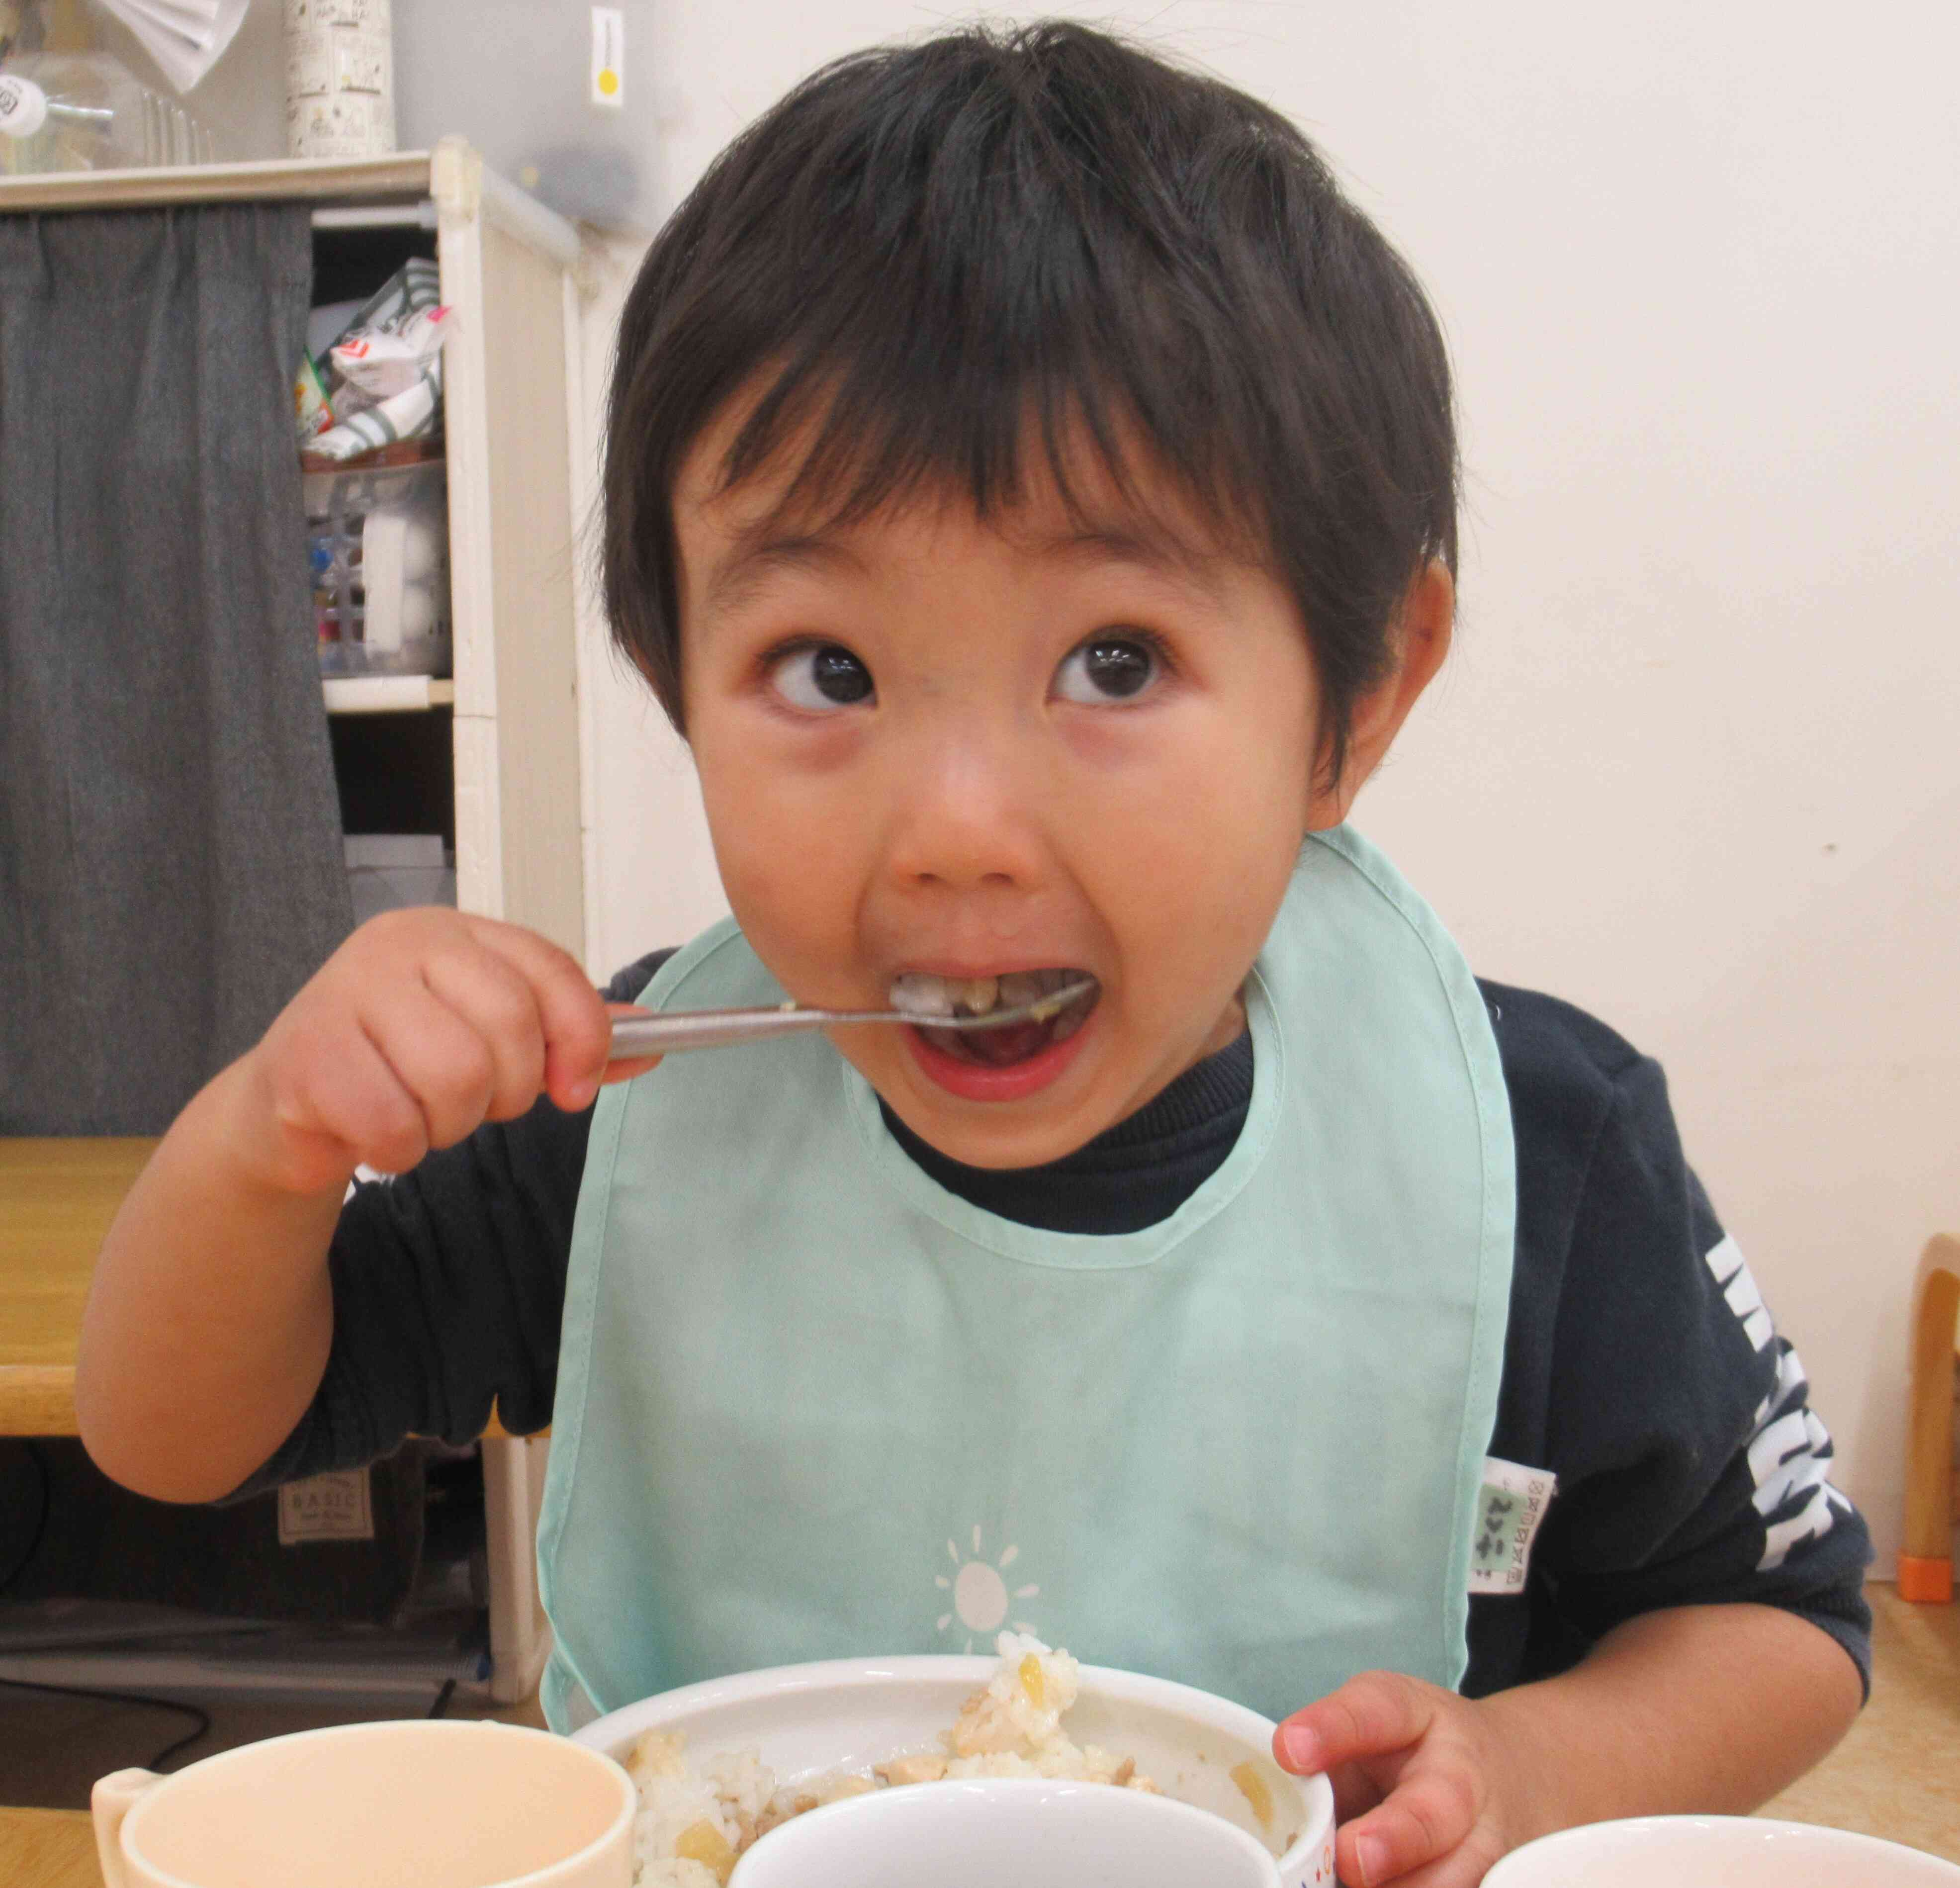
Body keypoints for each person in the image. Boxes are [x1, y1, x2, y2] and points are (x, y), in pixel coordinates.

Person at [78, 22, 1870, 1885]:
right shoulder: (632, 1113)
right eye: (824, 671)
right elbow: (178, 1433)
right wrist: (265, 1139)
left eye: (1115, 662)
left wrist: (1528, 1766)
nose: (954, 832)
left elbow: (1786, 1632)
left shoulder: (1534, 1155)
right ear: (675, 678)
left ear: (1355, 699)